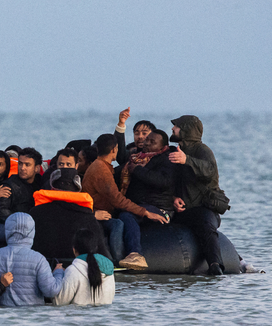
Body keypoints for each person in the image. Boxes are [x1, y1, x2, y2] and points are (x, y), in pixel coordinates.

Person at [82, 133, 168, 269]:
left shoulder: (102, 166)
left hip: (100, 211)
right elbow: (118, 200)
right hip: (97, 213)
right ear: (114, 150)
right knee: (118, 224)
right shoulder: (101, 170)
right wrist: (145, 212)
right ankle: (116, 261)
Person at [169, 115, 228, 275]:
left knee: (206, 225)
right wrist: (172, 199)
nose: (173, 129)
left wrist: (186, 160)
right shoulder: (174, 151)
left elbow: (209, 171)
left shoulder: (202, 150)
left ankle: (215, 266)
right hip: (180, 211)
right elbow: (166, 181)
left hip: (203, 209)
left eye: (176, 126)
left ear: (186, 130)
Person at [0, 213, 65, 307]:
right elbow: (51, 291)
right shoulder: (38, 259)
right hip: (32, 317)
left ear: (7, 231)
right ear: (31, 232)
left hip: (4, 318)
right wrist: (58, 273)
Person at [29, 168, 109, 261]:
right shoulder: (88, 217)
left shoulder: (35, 213)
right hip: (75, 269)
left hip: (42, 268)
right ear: (78, 189)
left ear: (52, 187)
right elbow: (102, 253)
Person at [53, 228, 115, 306]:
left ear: (74, 250)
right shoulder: (109, 270)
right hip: (105, 317)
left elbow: (59, 302)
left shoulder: (73, 270)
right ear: (95, 248)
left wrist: (58, 274)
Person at [0, 147, 44, 223]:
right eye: (20, 163)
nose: (22, 168)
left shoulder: (41, 183)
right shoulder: (9, 185)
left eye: (27, 165)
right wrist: (21, 221)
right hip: (15, 226)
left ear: (36, 168)